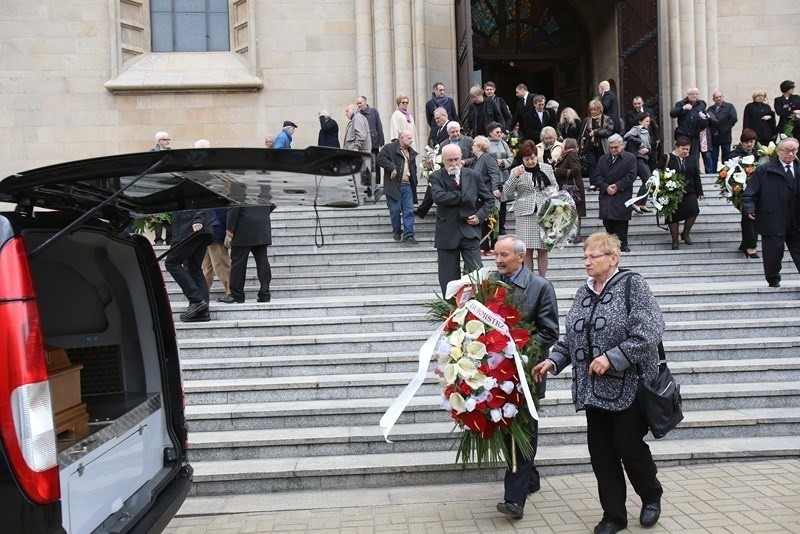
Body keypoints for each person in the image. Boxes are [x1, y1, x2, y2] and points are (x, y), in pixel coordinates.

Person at [533, 232, 665, 534]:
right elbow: (574, 337)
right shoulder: (584, 291)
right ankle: (613, 516)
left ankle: (651, 494)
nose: (587, 262)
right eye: (584, 257)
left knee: (628, 446)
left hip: (630, 386)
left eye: (593, 256)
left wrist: (613, 357)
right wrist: (553, 361)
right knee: (602, 453)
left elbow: (650, 332)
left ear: (613, 258)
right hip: (592, 390)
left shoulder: (634, 285)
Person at [492, 234, 559, 521]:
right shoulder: (490, 284)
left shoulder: (541, 287)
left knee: (523, 432)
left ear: (521, 256)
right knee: (507, 430)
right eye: (496, 254)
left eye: (504, 255)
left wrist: (518, 348)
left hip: (526, 374)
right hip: (495, 374)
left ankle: (514, 500)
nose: (498, 260)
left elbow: (549, 332)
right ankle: (529, 478)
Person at [429, 144, 494, 294]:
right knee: (448, 277)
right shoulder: (436, 176)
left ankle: (475, 308)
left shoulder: (473, 175)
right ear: (443, 160)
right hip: (447, 234)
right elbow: (438, 197)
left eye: (456, 159)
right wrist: (466, 196)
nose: (453, 164)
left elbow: (489, 200)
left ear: (461, 158)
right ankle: (451, 312)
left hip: (470, 232)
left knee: (476, 274)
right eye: (449, 160)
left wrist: (479, 216)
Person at [742, 137, 800, 288]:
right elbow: (750, 194)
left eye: (794, 151)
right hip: (773, 218)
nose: (791, 154)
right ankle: (773, 279)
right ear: (779, 151)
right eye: (787, 151)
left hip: (796, 219)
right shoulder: (765, 170)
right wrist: (749, 209)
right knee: (773, 254)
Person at [504, 140, 558, 276]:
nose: (530, 162)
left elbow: (555, 186)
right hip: (525, 214)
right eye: (526, 159)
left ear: (536, 155)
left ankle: (543, 280)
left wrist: (550, 195)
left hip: (544, 213)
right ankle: (529, 280)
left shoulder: (546, 168)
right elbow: (507, 191)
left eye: (532, 158)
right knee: (526, 250)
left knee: (543, 249)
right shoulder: (516, 171)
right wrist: (515, 176)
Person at [415, 121, 475, 219]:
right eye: (452, 132)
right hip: (448, 173)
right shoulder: (443, 144)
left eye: (457, 131)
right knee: (433, 185)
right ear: (448, 133)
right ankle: (422, 210)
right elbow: (439, 158)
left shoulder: (469, 141)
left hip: (465, 172)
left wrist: (464, 162)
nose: (455, 134)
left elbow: (474, 157)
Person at [218, 205, 274, 303]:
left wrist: (230, 227)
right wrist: (262, 214)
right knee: (262, 261)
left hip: (243, 225)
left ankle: (237, 294)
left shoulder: (238, 188)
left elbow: (234, 206)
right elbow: (272, 204)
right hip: (262, 225)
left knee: (238, 263)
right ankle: (265, 293)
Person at [591, 134, 637, 252]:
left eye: (616, 147)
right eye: (611, 147)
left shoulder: (630, 158)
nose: (613, 150)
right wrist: (606, 187)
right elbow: (597, 176)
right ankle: (611, 245)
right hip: (606, 196)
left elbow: (631, 175)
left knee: (621, 222)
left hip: (621, 195)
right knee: (608, 222)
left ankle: (623, 244)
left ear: (622, 145)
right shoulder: (603, 159)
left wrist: (617, 186)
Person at [658, 136, 704, 250]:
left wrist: (700, 191)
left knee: (694, 210)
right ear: (677, 147)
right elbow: (658, 172)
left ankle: (686, 233)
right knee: (673, 216)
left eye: (687, 149)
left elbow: (696, 176)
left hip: (689, 191)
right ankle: (675, 241)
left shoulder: (692, 159)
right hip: (671, 192)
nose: (685, 151)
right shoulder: (667, 157)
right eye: (683, 149)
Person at [165, 209, 211, 322]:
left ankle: (196, 300)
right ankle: (202, 312)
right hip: (198, 229)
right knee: (194, 268)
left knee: (171, 263)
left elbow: (199, 198)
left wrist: (198, 219)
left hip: (191, 227)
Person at [377, 131, 419, 244]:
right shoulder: (389, 148)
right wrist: (392, 167)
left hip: (408, 185)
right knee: (395, 210)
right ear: (401, 138)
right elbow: (380, 158)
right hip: (393, 185)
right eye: (409, 138)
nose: (411, 140)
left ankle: (409, 235)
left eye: (411, 138)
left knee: (409, 210)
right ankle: (397, 231)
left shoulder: (411, 152)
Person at [729, 129, 760, 259]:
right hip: (741, 192)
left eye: (752, 142)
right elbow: (728, 172)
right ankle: (750, 247)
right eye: (747, 142)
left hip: (758, 191)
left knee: (753, 218)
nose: (749, 144)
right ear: (742, 142)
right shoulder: (734, 155)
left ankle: (746, 244)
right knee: (748, 217)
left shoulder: (759, 154)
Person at [469, 135, 502, 254]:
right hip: (479, 195)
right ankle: (484, 246)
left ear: (479, 146)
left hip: (487, 193)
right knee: (483, 221)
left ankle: (493, 247)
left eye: (473, 145)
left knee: (490, 221)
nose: (472, 147)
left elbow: (494, 173)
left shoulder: (487, 158)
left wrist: (495, 189)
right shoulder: (477, 159)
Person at [552, 138, 585, 241]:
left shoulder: (571, 155)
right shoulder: (566, 156)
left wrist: (558, 171)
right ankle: (572, 235)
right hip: (568, 188)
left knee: (573, 212)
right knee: (569, 212)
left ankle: (575, 235)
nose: (561, 147)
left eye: (563, 145)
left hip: (572, 189)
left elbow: (576, 170)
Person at [623, 112, 655, 214]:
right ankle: (636, 203)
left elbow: (649, 147)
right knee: (647, 180)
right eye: (646, 121)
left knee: (650, 181)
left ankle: (642, 204)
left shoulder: (646, 132)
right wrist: (639, 142)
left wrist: (648, 150)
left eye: (649, 121)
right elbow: (627, 136)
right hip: (637, 158)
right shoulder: (636, 129)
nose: (648, 123)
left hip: (644, 158)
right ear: (640, 121)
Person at [487, 121, 514, 234]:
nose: (500, 134)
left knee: (503, 203)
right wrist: (493, 163)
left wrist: (503, 162)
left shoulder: (504, 144)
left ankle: (501, 228)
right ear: (490, 133)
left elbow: (511, 157)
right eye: (497, 132)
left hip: (503, 176)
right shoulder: (486, 143)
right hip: (490, 178)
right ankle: (491, 228)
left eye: (500, 132)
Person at [669, 88, 708, 164]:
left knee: (695, 156)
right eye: (692, 94)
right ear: (688, 95)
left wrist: (704, 119)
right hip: (683, 134)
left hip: (695, 135)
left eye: (696, 94)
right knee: (681, 153)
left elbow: (705, 123)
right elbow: (672, 114)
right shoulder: (680, 103)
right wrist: (682, 108)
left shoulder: (701, 105)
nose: (694, 96)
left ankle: (695, 172)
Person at [357, 95, 386, 189]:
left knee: (375, 164)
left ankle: (376, 183)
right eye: (357, 104)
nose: (359, 105)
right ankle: (367, 184)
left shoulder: (374, 112)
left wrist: (381, 141)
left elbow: (379, 126)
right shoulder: (358, 114)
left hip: (374, 143)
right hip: (363, 145)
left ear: (365, 102)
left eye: (360, 103)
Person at [581, 99, 614, 179]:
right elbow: (582, 134)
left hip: (602, 146)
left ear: (599, 109)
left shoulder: (606, 119)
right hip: (590, 146)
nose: (593, 112)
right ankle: (593, 183)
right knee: (591, 164)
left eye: (595, 109)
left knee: (602, 164)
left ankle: (601, 181)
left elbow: (609, 131)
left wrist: (596, 132)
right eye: (591, 110)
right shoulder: (587, 120)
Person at [624, 96, 660, 166]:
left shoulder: (649, 111)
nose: (637, 105)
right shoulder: (629, 114)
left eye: (638, 103)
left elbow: (653, 124)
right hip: (638, 140)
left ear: (642, 103)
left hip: (650, 139)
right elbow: (629, 127)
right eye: (635, 104)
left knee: (652, 159)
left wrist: (657, 137)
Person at [707, 91, 738, 169]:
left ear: (723, 97)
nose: (718, 98)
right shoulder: (710, 109)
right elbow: (708, 121)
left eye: (720, 97)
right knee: (714, 156)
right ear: (713, 99)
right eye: (716, 97)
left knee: (726, 156)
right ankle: (714, 172)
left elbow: (733, 119)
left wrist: (726, 129)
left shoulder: (729, 106)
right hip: (714, 137)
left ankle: (726, 172)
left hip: (725, 136)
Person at [150, 131, 172, 245]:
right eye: (165, 139)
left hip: (171, 186)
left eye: (169, 139)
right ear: (159, 141)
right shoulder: (152, 154)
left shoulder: (174, 154)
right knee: (158, 214)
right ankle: (158, 239)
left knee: (170, 213)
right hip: (156, 187)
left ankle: (169, 239)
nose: (168, 141)